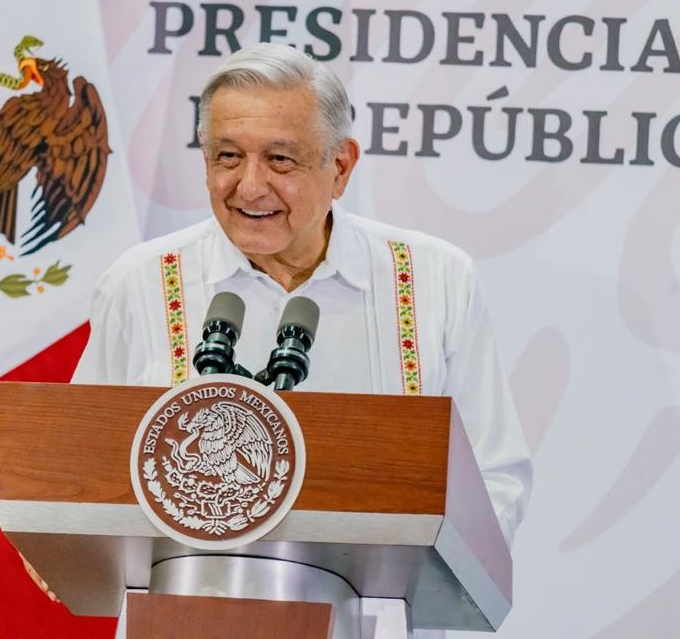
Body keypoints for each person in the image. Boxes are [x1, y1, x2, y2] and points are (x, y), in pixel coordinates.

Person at [73, 42, 532, 545]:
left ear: (341, 166)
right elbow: (79, 473)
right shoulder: (138, 283)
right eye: (228, 157)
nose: (250, 187)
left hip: (378, 594)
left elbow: (494, 479)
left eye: (280, 160)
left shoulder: (435, 280)